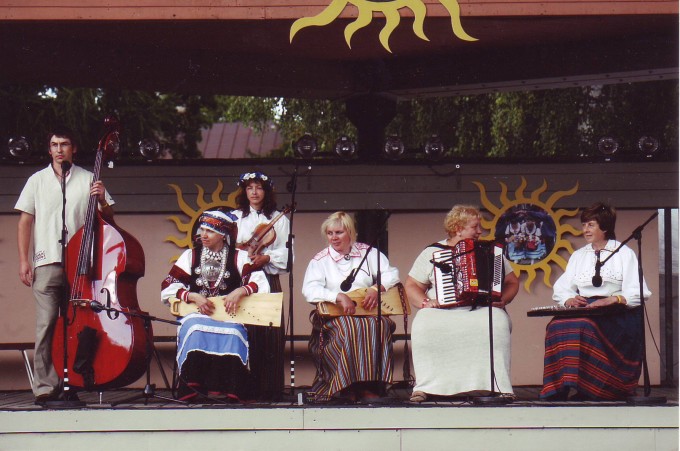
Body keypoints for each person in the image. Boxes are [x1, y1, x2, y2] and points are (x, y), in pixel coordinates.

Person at [15, 126, 114, 405]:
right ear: (49, 150)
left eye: (65, 144)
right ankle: (46, 386)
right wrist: (25, 260)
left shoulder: (88, 178)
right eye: (55, 145)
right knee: (46, 324)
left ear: (73, 149)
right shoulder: (37, 180)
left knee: (77, 324)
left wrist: (104, 199)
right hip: (47, 260)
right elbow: (25, 222)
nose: (60, 150)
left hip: (82, 264)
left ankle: (76, 381)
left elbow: (109, 218)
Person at [404, 205, 519, 402]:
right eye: (475, 227)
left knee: (498, 321)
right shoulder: (432, 252)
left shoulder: (490, 251)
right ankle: (425, 386)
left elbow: (512, 282)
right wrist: (425, 302)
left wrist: (503, 300)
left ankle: (498, 385)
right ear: (458, 228)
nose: (480, 231)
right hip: (442, 310)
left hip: (481, 308)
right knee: (423, 322)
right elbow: (412, 284)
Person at [540, 202, 651, 401]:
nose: (585, 230)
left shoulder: (624, 253)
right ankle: (559, 388)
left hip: (616, 313)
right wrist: (570, 298)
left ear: (605, 227)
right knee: (556, 325)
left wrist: (613, 299)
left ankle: (593, 389)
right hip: (586, 309)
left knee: (584, 326)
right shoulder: (579, 255)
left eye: (590, 225)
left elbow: (639, 291)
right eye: (584, 225)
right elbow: (561, 287)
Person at [161, 210, 270, 402]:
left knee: (234, 332)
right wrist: (191, 295)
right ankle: (193, 389)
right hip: (195, 313)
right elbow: (169, 286)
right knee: (194, 328)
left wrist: (241, 291)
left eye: (210, 231)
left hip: (229, 315)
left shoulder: (239, 257)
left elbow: (261, 283)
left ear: (223, 235)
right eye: (202, 229)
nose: (203, 234)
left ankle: (230, 389)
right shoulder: (190, 255)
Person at [301, 211, 400, 403]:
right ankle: (347, 387)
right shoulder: (320, 260)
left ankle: (370, 387)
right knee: (349, 327)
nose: (334, 237)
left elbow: (391, 274)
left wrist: (376, 288)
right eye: (330, 233)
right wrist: (337, 296)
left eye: (338, 232)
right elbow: (309, 290)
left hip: (366, 312)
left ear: (350, 233)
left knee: (378, 325)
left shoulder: (367, 253)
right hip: (334, 317)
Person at [233, 171, 290, 399]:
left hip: (267, 277)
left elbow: (287, 250)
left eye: (259, 188)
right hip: (241, 280)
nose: (254, 192)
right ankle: (243, 388)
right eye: (249, 188)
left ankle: (270, 389)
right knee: (244, 331)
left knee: (270, 332)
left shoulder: (279, 218)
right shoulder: (236, 217)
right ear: (244, 192)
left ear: (266, 192)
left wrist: (267, 258)